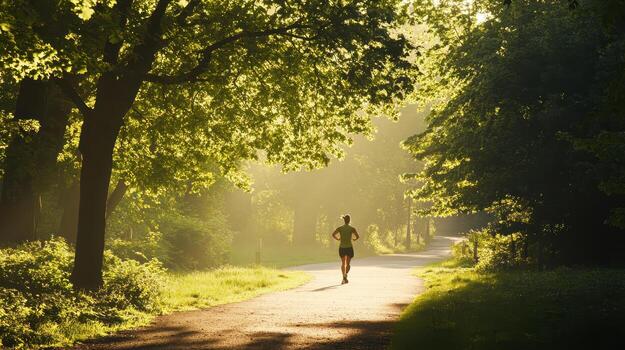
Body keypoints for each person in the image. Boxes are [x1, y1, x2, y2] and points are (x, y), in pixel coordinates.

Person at [331, 214, 360, 284]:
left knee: (343, 263)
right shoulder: (352, 228)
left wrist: (338, 239)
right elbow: (357, 236)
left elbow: (333, 234)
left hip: (342, 248)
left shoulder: (340, 228)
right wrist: (354, 239)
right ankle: (345, 275)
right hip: (349, 247)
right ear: (349, 220)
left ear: (344, 220)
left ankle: (343, 277)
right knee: (348, 264)